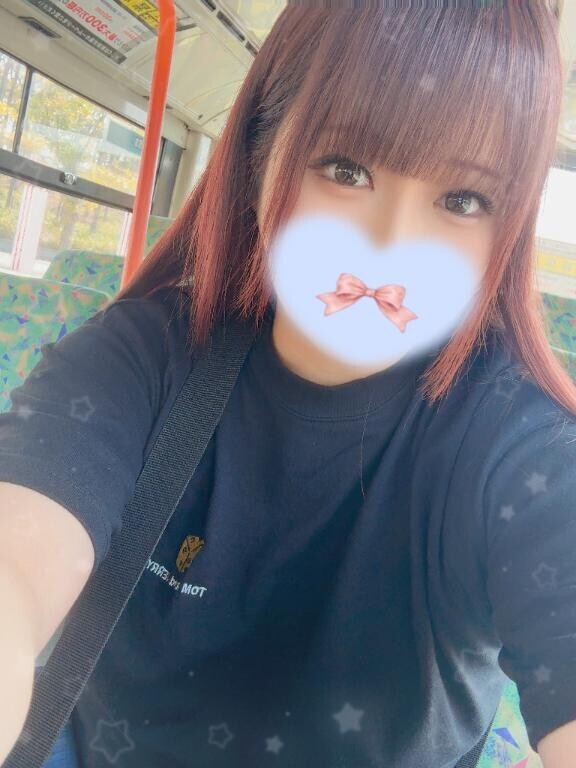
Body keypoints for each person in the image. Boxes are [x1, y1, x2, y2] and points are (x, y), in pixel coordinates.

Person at [1, 2, 575, 767]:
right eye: (346, 169)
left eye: (462, 200)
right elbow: (17, 560)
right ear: (258, 159)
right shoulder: (143, 356)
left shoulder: (525, 447)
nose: (388, 245)